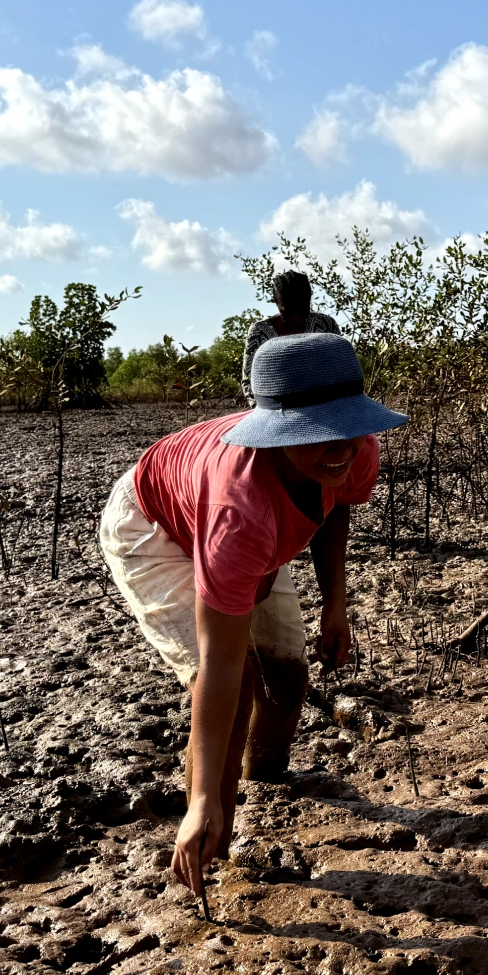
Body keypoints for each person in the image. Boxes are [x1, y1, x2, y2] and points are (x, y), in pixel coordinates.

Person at [98, 332, 407, 901]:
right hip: (154, 525)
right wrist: (200, 802)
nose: (337, 448)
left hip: (251, 521)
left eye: (347, 427)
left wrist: (334, 605)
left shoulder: (353, 449)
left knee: (287, 679)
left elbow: (335, 502)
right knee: (233, 682)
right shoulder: (238, 511)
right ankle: (212, 839)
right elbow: (219, 662)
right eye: (316, 434)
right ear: (279, 434)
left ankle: (261, 779)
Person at [241, 270, 340, 403]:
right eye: (288, 312)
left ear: (309, 298)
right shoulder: (259, 332)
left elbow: (341, 370)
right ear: (275, 301)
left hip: (326, 405)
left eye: (303, 309)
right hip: (274, 410)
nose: (297, 319)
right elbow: (249, 381)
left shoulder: (325, 325)